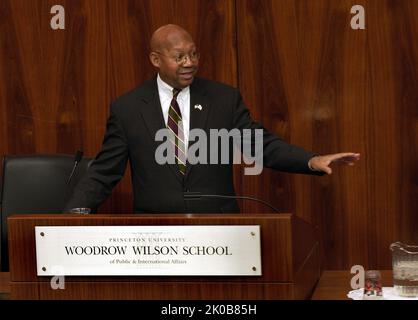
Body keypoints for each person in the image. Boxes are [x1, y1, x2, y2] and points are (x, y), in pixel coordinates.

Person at [64, 24, 360, 213]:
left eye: (193, 55)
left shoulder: (223, 99)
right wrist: (72, 217)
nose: (190, 63)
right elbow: (104, 171)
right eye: (179, 57)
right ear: (156, 60)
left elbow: (260, 145)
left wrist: (313, 160)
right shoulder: (127, 108)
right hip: (156, 238)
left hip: (220, 233)